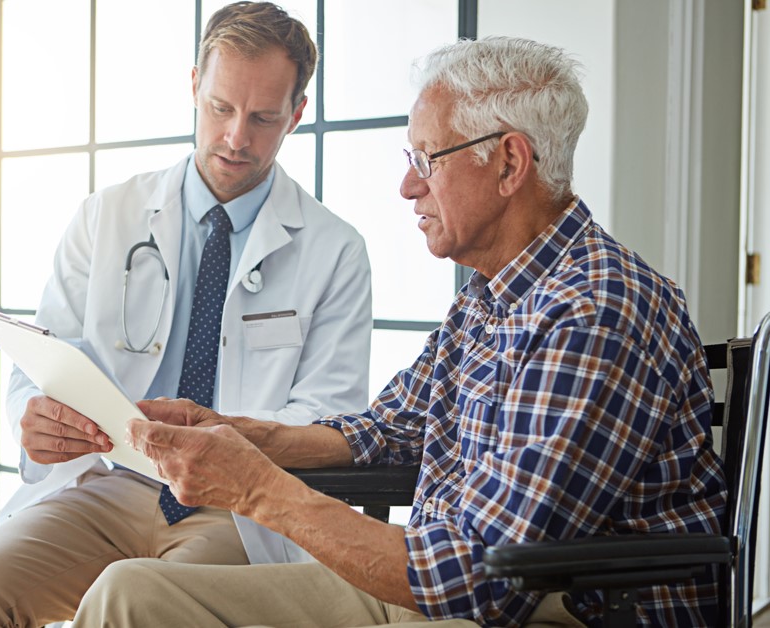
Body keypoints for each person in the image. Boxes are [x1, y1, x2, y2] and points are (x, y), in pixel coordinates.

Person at [70, 36, 728, 627]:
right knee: (130, 595)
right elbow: (383, 432)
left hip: (550, 609)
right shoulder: (489, 298)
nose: (407, 185)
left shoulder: (593, 310)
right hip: (432, 591)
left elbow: (483, 578)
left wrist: (257, 488)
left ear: (507, 163)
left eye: (426, 157)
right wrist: (230, 432)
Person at [0, 2, 372, 626]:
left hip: (237, 508)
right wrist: (37, 422)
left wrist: (221, 437)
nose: (236, 138)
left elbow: (331, 416)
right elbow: (47, 357)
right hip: (110, 482)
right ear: (194, 86)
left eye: (263, 117)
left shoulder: (335, 250)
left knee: (135, 599)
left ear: (296, 115)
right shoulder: (106, 215)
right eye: (220, 107)